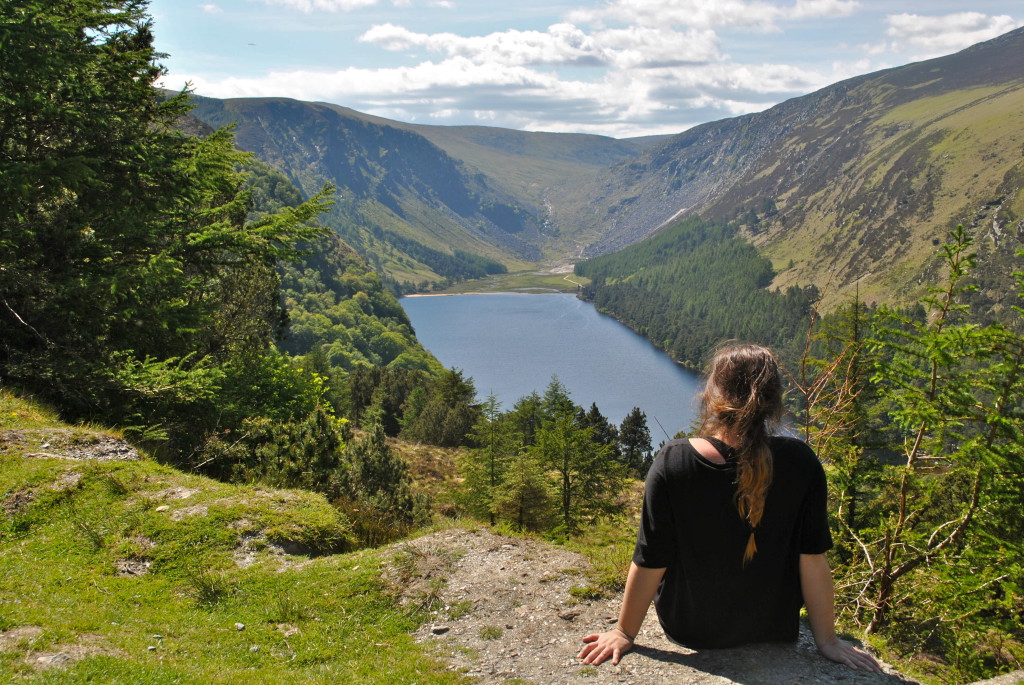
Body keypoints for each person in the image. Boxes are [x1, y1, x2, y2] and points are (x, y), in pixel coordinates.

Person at [578, 343, 881, 672]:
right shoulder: (802, 462)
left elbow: (652, 558)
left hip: (691, 629)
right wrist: (827, 641)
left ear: (711, 396)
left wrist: (624, 631)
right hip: (772, 628)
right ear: (775, 401)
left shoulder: (675, 461)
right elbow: (812, 559)